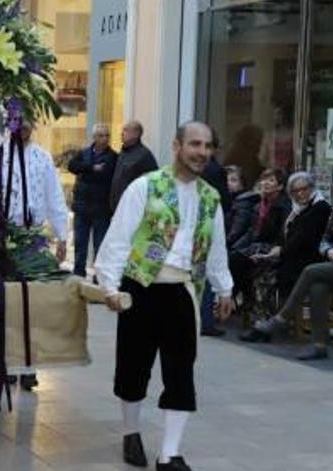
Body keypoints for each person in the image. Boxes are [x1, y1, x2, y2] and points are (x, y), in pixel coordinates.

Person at [95, 121, 234, 471]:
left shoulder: (210, 198)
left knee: (181, 372)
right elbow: (118, 238)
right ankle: (131, 432)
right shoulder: (145, 186)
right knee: (132, 366)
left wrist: (224, 287)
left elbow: (217, 248)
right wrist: (109, 285)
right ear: (177, 146)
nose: (202, 152)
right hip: (140, 287)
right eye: (195, 144)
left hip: (184, 292)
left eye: (208, 145)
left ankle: (169, 454)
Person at [0, 122, 70, 390]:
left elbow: (55, 197)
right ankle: (7, 363)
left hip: (34, 238)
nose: (24, 127)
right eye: (19, 121)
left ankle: (29, 366)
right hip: (6, 237)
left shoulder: (43, 157)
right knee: (9, 304)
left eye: (28, 122)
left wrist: (62, 235)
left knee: (34, 305)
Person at [252, 176, 333, 360]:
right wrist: (330, 250)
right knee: (318, 286)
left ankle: (281, 319)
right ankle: (319, 346)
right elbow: (326, 240)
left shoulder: (321, 208)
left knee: (311, 271)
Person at [238, 172, 331, 343]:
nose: (300, 194)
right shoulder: (297, 210)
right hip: (291, 256)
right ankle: (260, 324)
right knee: (254, 267)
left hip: (306, 260)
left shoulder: (320, 208)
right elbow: (284, 236)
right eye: (295, 191)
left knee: (265, 275)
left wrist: (279, 252)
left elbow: (304, 239)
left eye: (305, 189)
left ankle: (265, 326)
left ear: (312, 189)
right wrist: (275, 250)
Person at [228, 168, 290, 320]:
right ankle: (238, 301)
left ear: (280, 186)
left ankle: (234, 300)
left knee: (237, 261)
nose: (265, 183)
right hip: (255, 247)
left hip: (273, 250)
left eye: (271, 180)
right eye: (264, 180)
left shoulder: (283, 207)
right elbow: (251, 232)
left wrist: (263, 252)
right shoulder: (259, 206)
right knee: (233, 257)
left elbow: (282, 236)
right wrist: (235, 247)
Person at [68, 123, 117, 277]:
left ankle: (99, 276)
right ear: (94, 137)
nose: (105, 139)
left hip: (101, 208)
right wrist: (91, 168)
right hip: (82, 206)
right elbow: (72, 166)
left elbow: (105, 173)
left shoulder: (113, 157)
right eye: (101, 135)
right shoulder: (84, 153)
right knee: (80, 243)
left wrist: (85, 170)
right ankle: (78, 274)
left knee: (100, 245)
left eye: (107, 135)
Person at [198, 141, 232, 337]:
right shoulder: (216, 170)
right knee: (205, 272)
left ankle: (203, 319)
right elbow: (224, 200)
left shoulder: (203, 170)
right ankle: (206, 321)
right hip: (209, 224)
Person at [109, 120, 158, 213]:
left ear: (136, 134)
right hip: (117, 208)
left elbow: (154, 182)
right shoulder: (123, 153)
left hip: (132, 209)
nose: (122, 133)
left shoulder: (144, 155)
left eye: (125, 130)